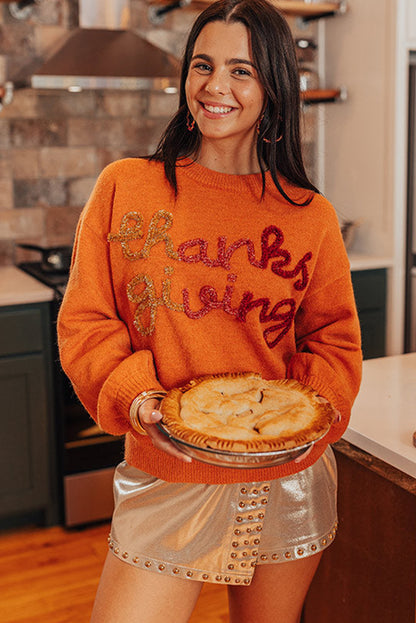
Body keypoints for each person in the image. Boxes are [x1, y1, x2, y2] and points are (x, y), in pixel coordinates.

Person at [57, 1, 362, 621]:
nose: (215, 86)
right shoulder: (127, 186)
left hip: (287, 477)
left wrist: (298, 422)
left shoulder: (311, 216)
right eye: (203, 65)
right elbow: (86, 321)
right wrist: (142, 401)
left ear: (275, 85)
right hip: (167, 468)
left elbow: (334, 341)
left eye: (241, 70)